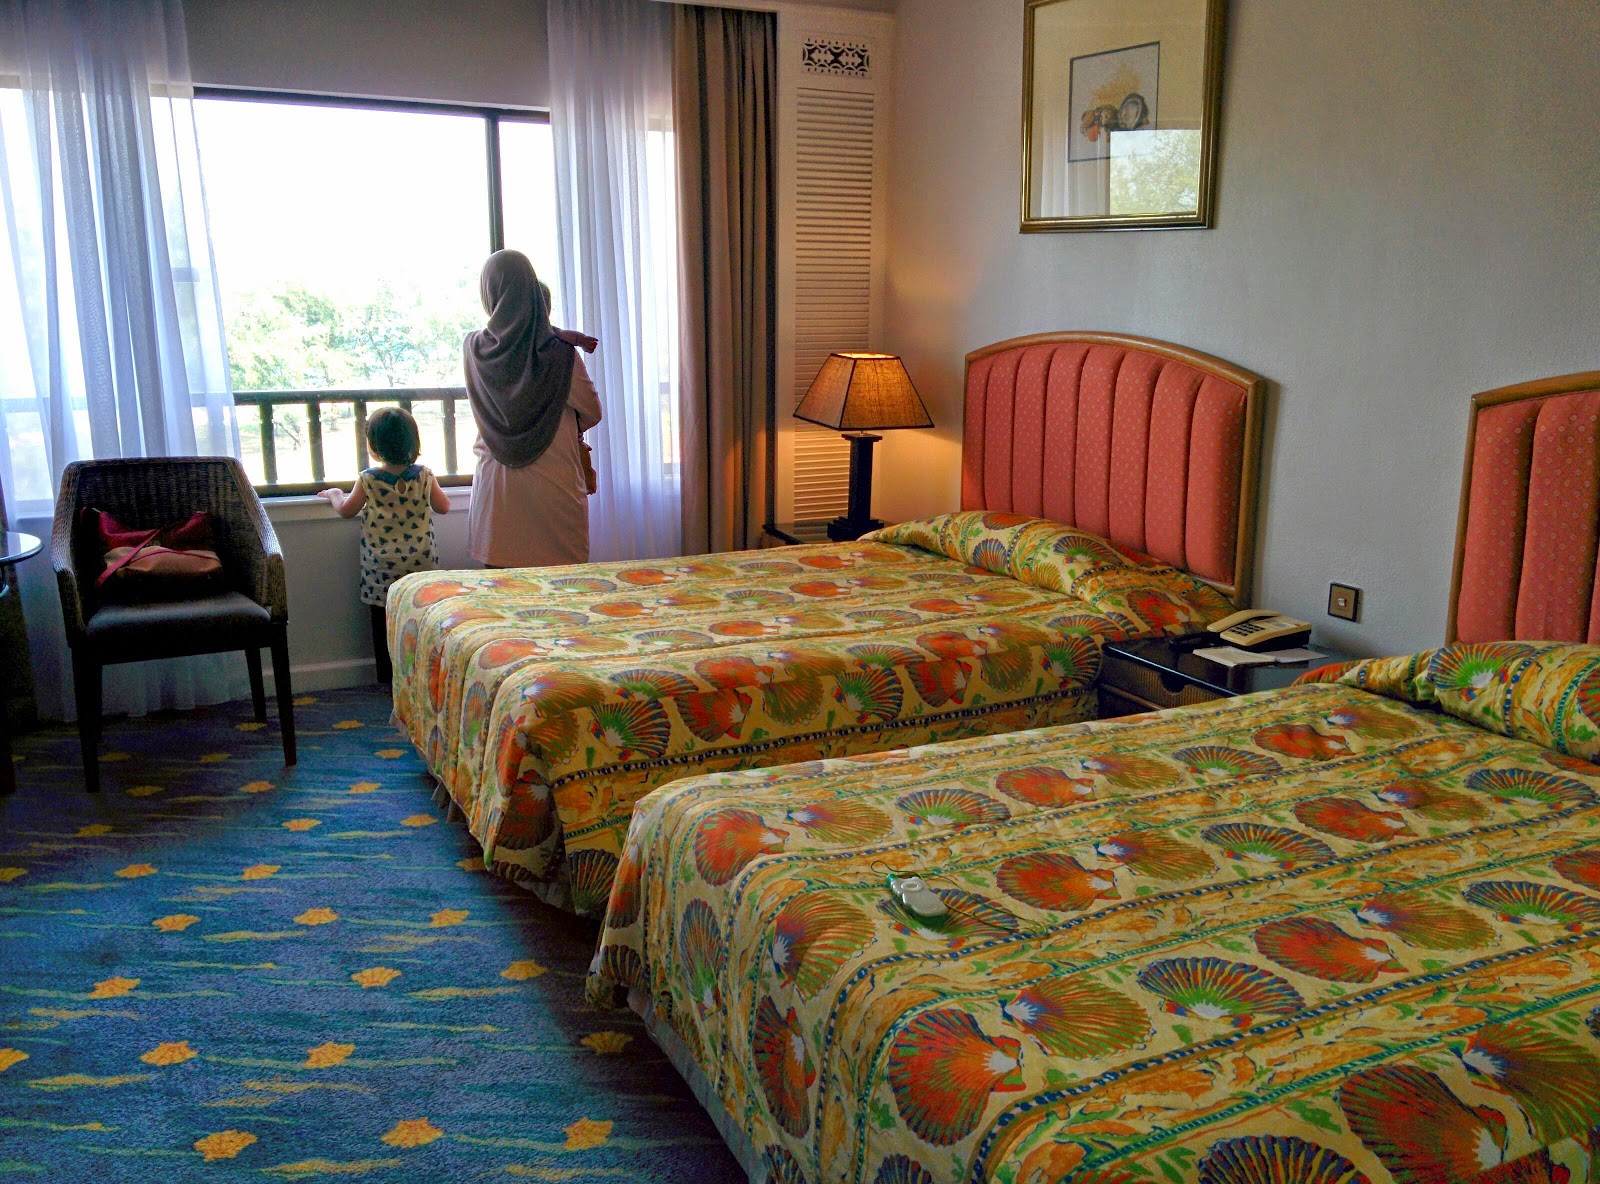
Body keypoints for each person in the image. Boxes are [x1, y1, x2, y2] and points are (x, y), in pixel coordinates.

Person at [463, 250, 602, 568]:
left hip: (497, 491)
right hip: (552, 483)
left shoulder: (473, 348)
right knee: (563, 586)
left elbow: (511, 336)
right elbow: (593, 412)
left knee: (500, 587)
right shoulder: (560, 354)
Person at [318, 407, 451, 684]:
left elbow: (346, 510)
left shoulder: (368, 479)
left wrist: (334, 494)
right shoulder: (424, 475)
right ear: (413, 442)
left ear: (374, 447)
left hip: (381, 571)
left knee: (383, 624)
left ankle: (386, 679)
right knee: (420, 621)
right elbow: (444, 507)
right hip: (420, 567)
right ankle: (419, 677)